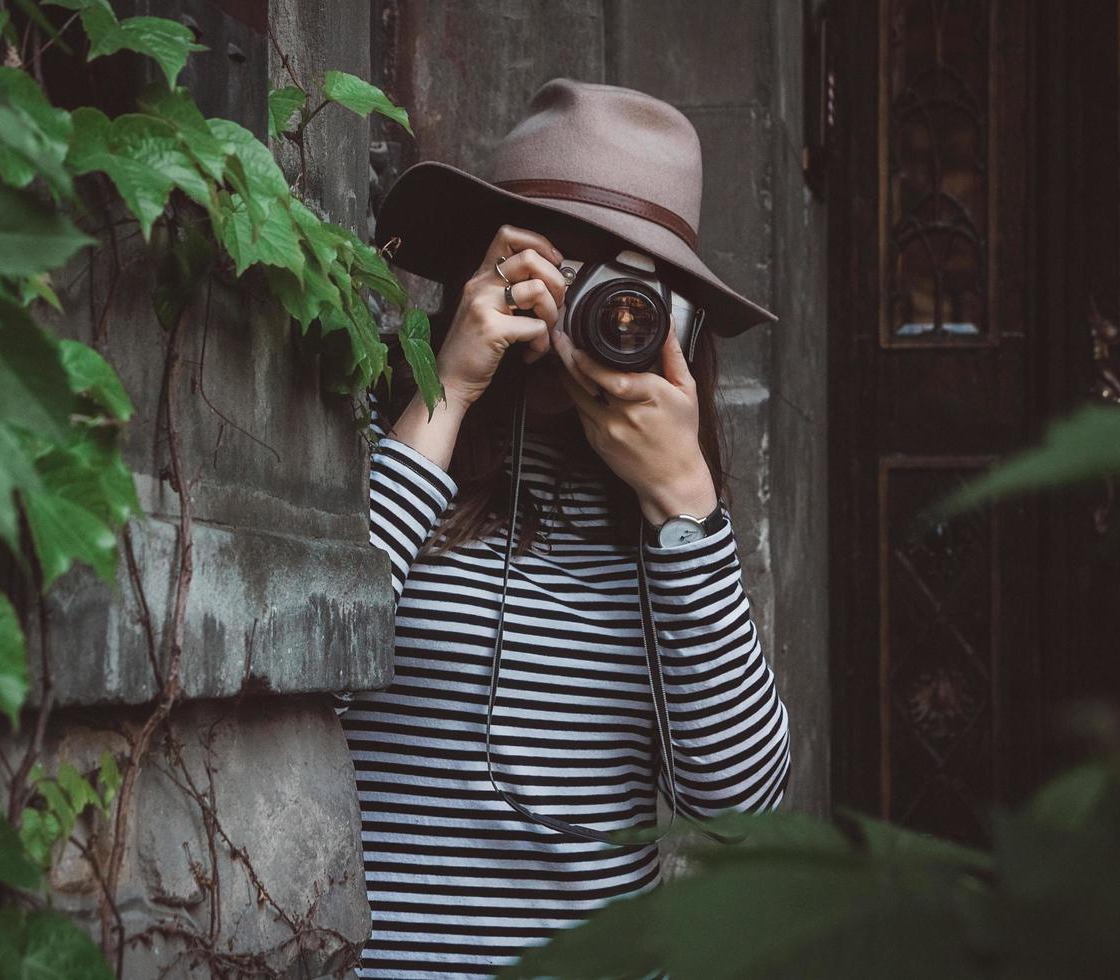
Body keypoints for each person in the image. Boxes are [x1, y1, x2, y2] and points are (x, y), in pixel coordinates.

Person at [332, 78, 792, 980]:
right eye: (565, 269)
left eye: (630, 290)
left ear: (681, 319)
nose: (591, 317)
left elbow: (740, 812)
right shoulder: (390, 436)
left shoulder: (671, 525)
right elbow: (315, 672)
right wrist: (448, 392)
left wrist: (682, 499)